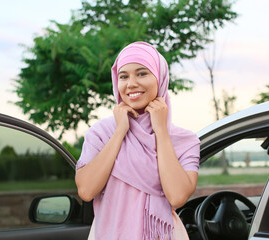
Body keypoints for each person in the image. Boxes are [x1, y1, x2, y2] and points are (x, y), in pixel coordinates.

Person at [75, 41, 200, 240]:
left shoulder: (185, 140)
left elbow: (177, 196)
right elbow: (87, 190)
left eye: (142, 73)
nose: (131, 83)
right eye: (123, 76)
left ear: (159, 78)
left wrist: (161, 131)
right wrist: (119, 132)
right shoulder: (101, 133)